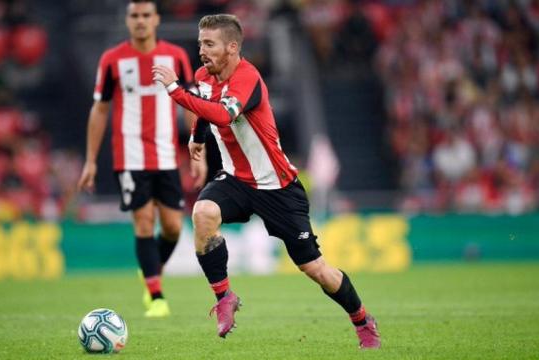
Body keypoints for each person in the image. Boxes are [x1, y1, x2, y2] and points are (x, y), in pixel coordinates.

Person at [152, 14, 381, 349]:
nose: (201, 50)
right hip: (235, 180)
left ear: (232, 47)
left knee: (315, 269)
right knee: (202, 214)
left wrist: (174, 89)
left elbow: (222, 113)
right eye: (201, 43)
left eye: (209, 43)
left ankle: (362, 320)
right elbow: (205, 111)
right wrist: (197, 138)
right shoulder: (204, 76)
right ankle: (224, 297)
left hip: (278, 187)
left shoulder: (248, 79)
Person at [77, 0, 207, 318]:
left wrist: (197, 146)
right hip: (130, 156)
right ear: (127, 20)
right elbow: (100, 109)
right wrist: (91, 160)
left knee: (174, 227)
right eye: (134, 15)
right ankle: (156, 295)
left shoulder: (175, 56)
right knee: (145, 222)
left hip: (166, 157)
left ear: (156, 19)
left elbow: (189, 103)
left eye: (146, 15)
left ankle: (151, 267)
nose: (140, 21)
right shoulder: (112, 60)